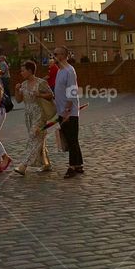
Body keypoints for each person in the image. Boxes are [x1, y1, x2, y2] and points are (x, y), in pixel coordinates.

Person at [12, 61, 54, 175]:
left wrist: (39, 95)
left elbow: (51, 95)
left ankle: (23, 165)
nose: (21, 73)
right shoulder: (24, 84)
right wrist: (16, 90)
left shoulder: (41, 83)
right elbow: (19, 100)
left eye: (23, 70)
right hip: (28, 115)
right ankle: (46, 163)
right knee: (38, 139)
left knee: (33, 137)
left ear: (30, 71)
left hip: (39, 114)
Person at [53, 46, 84, 178]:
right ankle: (78, 164)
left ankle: (72, 166)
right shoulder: (60, 70)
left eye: (55, 54)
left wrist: (66, 111)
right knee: (72, 139)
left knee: (71, 139)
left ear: (63, 56)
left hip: (69, 112)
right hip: (62, 111)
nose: (53, 56)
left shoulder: (69, 70)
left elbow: (72, 91)